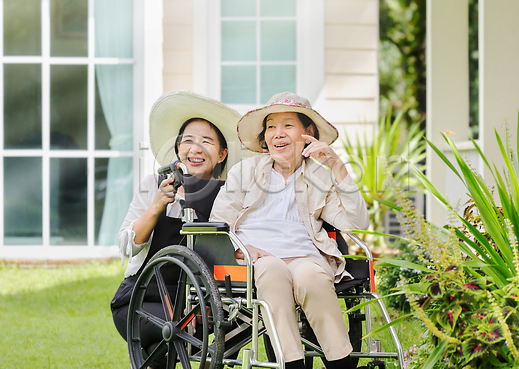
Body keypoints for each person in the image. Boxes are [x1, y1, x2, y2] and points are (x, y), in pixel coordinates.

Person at [210, 92, 369, 369]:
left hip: (305, 257)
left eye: (287, 125)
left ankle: (341, 362)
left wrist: (337, 167)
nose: (277, 134)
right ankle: (292, 364)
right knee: (272, 270)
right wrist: (242, 248)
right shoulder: (244, 171)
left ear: (308, 133)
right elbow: (217, 225)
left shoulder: (321, 176)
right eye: (271, 126)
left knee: (312, 275)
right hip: (253, 259)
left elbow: (356, 223)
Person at [110, 90, 243, 369]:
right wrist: (157, 206)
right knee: (171, 331)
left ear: (222, 154)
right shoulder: (153, 184)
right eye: (188, 141)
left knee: (190, 334)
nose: (195, 148)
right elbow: (126, 245)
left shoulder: (230, 196)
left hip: (204, 302)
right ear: (178, 148)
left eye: (206, 142)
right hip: (141, 299)